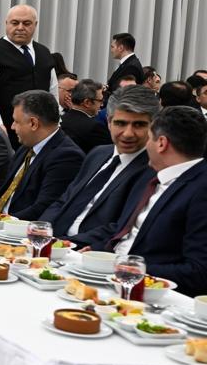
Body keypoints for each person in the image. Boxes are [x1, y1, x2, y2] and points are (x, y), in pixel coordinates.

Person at [72, 106, 207, 296]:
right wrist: (93, 250)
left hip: (151, 291)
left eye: (149, 138)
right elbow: (124, 228)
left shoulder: (200, 190)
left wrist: (125, 267)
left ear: (161, 143)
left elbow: (198, 272)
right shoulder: (152, 177)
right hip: (109, 273)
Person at [40, 86, 157, 237]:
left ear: (153, 126)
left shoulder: (153, 170)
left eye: (139, 125)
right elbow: (64, 201)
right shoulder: (98, 154)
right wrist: (40, 230)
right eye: (120, 123)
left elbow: (122, 227)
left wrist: (66, 244)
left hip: (89, 248)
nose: (128, 134)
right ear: (109, 122)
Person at [0, 90, 84, 218]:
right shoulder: (26, 147)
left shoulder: (67, 157)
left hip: (18, 227)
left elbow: (43, 209)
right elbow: (2, 192)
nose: (12, 127)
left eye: (16, 121)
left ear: (33, 123)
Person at [0, 4, 58, 146]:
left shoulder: (44, 52)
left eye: (26, 23)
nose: (20, 27)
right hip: (7, 130)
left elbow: (53, 90)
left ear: (35, 25)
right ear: (6, 23)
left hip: (41, 132)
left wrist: (56, 122)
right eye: (15, 23)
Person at [60, 79, 111, 152]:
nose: (102, 105)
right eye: (100, 101)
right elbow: (106, 153)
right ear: (87, 102)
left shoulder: (60, 120)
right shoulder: (94, 127)